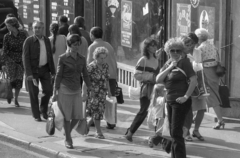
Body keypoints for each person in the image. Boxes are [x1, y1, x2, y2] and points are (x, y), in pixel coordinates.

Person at [156, 37, 197, 158]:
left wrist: (185, 96)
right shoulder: (168, 62)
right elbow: (158, 79)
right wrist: (170, 67)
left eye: (178, 50)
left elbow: (194, 80)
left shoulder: (185, 62)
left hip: (180, 102)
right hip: (169, 100)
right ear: (168, 51)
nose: (175, 53)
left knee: (176, 133)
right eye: (172, 50)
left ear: (182, 51)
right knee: (173, 132)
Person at [52, 34, 91, 149]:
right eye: (74, 44)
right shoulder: (62, 58)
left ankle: (66, 131)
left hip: (77, 89)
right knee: (67, 117)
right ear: (69, 45)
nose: (77, 47)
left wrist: (90, 88)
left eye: (78, 44)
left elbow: (85, 75)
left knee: (78, 116)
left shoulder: (82, 58)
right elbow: (58, 76)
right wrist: (55, 91)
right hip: (64, 89)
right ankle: (68, 139)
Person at [124, 37, 159, 142]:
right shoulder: (143, 59)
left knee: (157, 112)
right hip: (146, 88)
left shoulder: (156, 58)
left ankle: (157, 136)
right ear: (147, 47)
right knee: (143, 111)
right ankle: (130, 132)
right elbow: (137, 75)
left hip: (156, 88)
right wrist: (151, 77)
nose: (154, 47)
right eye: (151, 45)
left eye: (155, 45)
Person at [22, 21, 55, 122]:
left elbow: (50, 56)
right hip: (33, 71)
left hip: (45, 70)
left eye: (39, 28)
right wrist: (29, 74)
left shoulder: (46, 40)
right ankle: (36, 115)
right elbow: (25, 58)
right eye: (35, 28)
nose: (37, 29)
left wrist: (53, 71)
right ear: (32, 29)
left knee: (48, 90)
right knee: (34, 93)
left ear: (43, 28)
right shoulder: (28, 41)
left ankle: (43, 110)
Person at [87, 26, 118, 129]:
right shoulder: (109, 45)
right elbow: (114, 61)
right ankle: (111, 122)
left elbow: (89, 64)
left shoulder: (92, 46)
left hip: (98, 78)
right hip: (112, 75)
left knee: (95, 101)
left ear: (92, 35)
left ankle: (92, 121)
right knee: (111, 99)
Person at [195, 28, 225, 129]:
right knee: (211, 94)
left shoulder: (200, 48)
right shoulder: (213, 46)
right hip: (215, 72)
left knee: (211, 95)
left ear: (198, 38)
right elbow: (218, 59)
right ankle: (196, 116)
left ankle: (220, 120)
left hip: (206, 72)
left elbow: (197, 63)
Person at [181, 33, 207, 142]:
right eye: (187, 43)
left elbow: (201, 66)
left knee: (202, 108)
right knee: (189, 109)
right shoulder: (180, 54)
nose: (190, 46)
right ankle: (186, 132)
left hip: (199, 82)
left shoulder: (198, 52)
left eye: (192, 43)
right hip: (188, 83)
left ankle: (196, 130)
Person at [82, 47, 112, 139]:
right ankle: (98, 131)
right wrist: (84, 93)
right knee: (96, 112)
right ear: (96, 57)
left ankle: (87, 124)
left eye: (104, 58)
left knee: (100, 111)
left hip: (102, 92)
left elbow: (107, 79)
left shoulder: (105, 66)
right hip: (93, 92)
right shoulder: (91, 67)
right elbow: (85, 81)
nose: (102, 60)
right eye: (101, 58)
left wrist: (109, 91)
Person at [1, 17, 27, 106]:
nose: (7, 27)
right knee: (11, 80)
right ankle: (9, 94)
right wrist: (3, 63)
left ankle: (16, 99)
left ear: (14, 25)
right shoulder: (7, 36)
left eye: (8, 26)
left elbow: (27, 46)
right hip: (10, 60)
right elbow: (5, 50)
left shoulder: (23, 34)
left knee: (19, 80)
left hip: (21, 60)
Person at [147, 84, 166, 148]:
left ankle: (153, 140)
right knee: (162, 132)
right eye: (164, 91)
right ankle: (152, 140)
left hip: (157, 118)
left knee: (159, 132)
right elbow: (164, 100)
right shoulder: (159, 99)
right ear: (159, 92)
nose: (165, 92)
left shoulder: (154, 98)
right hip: (160, 118)